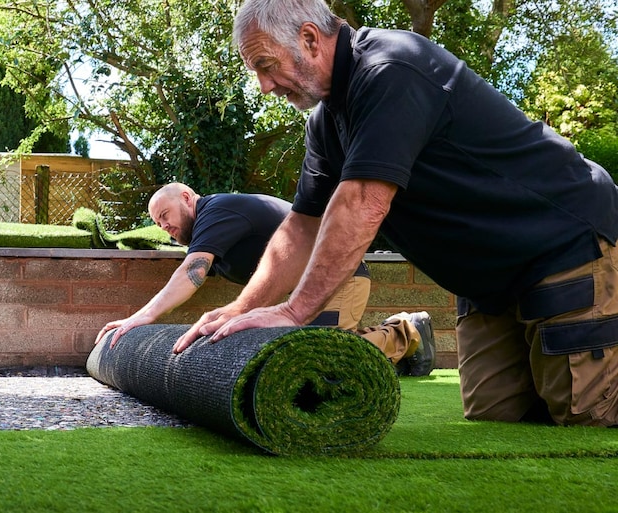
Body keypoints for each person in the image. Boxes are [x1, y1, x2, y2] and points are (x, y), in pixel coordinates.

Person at [175, 0, 618, 427]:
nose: (265, 86)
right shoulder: (325, 122)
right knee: (497, 412)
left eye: (267, 65)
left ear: (310, 38)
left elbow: (363, 202)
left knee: (586, 413)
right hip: (490, 284)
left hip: (563, 242)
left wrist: (294, 313)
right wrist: (242, 308)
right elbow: (302, 225)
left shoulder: (392, 69)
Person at [95, 182, 436, 376]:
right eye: (158, 223)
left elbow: (190, 274)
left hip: (339, 278)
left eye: (165, 215)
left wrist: (141, 317)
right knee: (299, 359)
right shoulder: (215, 236)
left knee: (321, 359)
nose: (164, 226)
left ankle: (405, 333)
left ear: (186, 197)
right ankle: (394, 348)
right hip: (302, 295)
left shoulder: (216, 211)